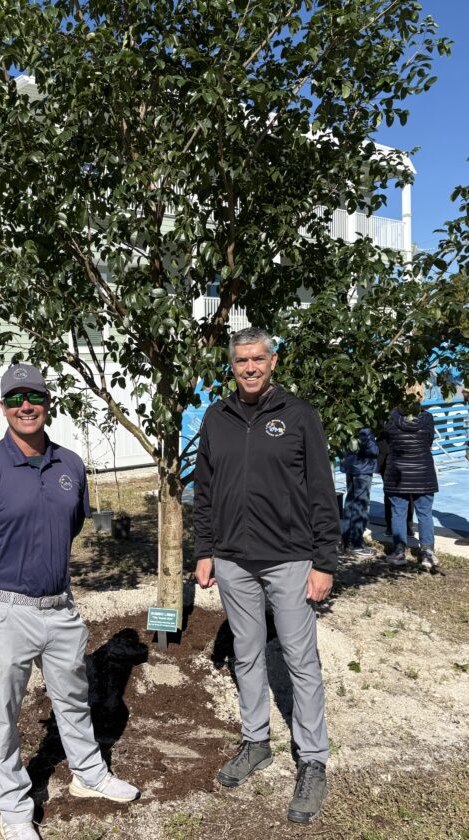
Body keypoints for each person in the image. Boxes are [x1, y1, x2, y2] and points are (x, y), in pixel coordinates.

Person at [0, 363, 138, 840]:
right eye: (14, 398)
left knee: (72, 697)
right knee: (2, 712)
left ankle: (89, 774)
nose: (25, 406)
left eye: (34, 397)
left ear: (48, 403)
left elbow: (69, 526)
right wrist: (1, 569)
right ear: (3, 406)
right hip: (2, 610)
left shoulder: (69, 464)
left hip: (59, 608)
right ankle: (12, 806)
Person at [193, 327, 340, 825]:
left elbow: (321, 490)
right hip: (233, 560)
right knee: (246, 654)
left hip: (291, 558)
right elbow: (205, 491)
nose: (249, 368)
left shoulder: (299, 416)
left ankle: (313, 759)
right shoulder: (217, 418)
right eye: (241, 361)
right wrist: (205, 551)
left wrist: (324, 561)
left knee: (301, 659)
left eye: (257, 359)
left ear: (273, 361)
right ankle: (256, 741)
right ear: (230, 366)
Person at [379, 387, 439, 572]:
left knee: (398, 512)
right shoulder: (427, 418)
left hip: (397, 473)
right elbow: (428, 442)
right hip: (423, 473)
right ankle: (427, 552)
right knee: (425, 513)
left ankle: (398, 552)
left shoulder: (390, 418)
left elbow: (387, 442)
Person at [340, 428, 379, 558]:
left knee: (350, 503)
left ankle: (346, 541)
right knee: (360, 505)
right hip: (362, 469)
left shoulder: (346, 424)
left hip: (351, 466)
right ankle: (355, 543)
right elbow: (373, 451)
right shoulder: (364, 428)